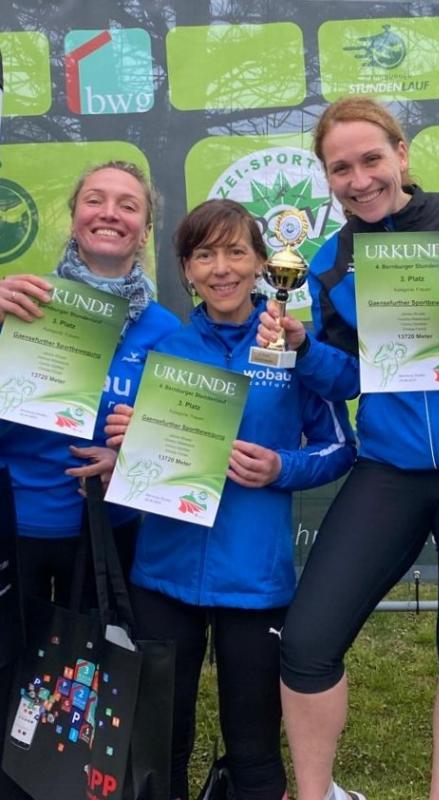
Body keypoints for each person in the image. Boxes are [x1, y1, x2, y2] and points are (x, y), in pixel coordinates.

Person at [257, 96, 439, 800]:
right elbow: (350, 378)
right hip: (390, 467)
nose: (359, 180)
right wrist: (302, 347)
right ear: (327, 178)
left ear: (401, 154)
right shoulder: (331, 260)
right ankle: (315, 795)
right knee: (307, 641)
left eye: (371, 159)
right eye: (340, 168)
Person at [105, 198, 356, 800]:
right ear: (186, 270)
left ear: (263, 264)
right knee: (161, 738)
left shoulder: (289, 344)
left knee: (253, 745)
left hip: (253, 576)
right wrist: (125, 440)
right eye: (204, 255)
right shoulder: (166, 346)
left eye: (236, 252)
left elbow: (340, 447)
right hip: (163, 571)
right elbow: (133, 439)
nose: (221, 268)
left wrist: (280, 467)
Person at [0, 160, 180, 797]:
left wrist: (127, 458)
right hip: (17, 525)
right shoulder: (24, 300)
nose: (110, 213)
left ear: (145, 228)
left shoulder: (166, 331)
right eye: (95, 200)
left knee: (89, 687)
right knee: (9, 676)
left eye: (128, 205)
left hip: (108, 536)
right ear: (74, 218)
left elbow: (177, 442)